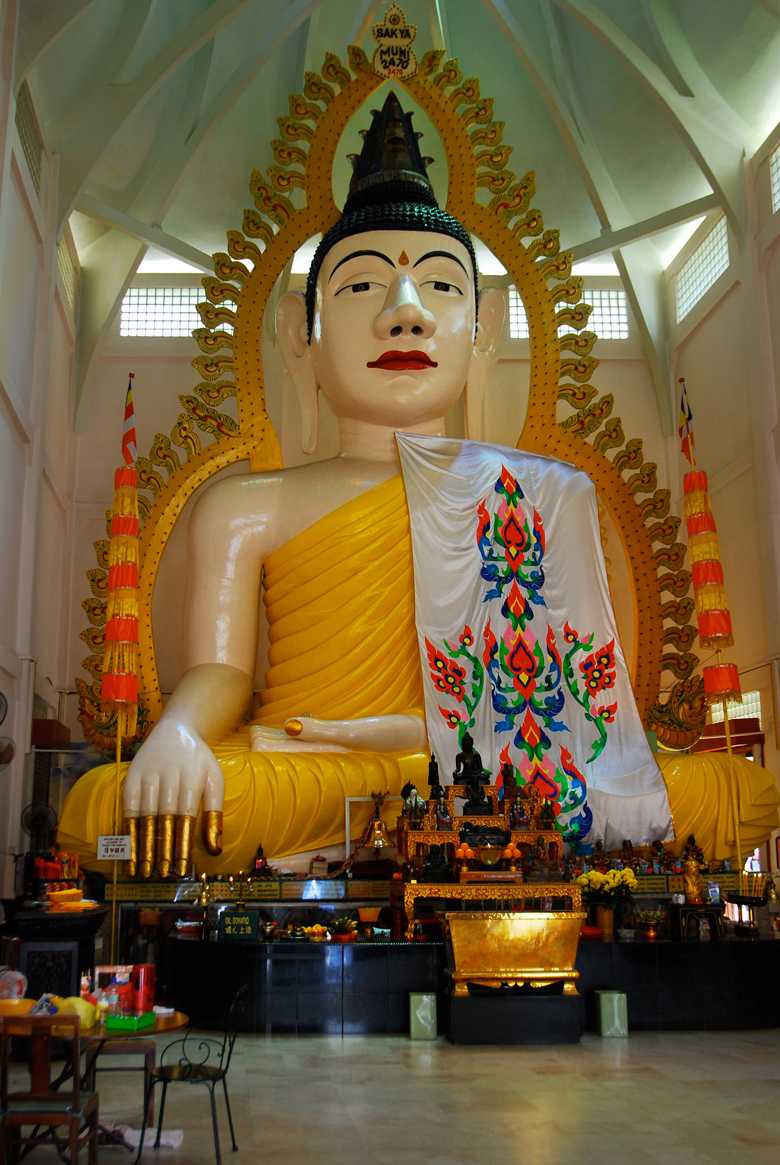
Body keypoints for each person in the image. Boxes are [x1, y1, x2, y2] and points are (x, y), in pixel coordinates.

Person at [59, 93, 780, 878]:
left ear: (484, 328)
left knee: (737, 789)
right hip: (308, 771)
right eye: (363, 286)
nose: (405, 316)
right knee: (106, 803)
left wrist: (403, 736)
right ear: (303, 328)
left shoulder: (540, 492)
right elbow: (224, 675)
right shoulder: (245, 505)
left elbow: (573, 713)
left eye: (439, 287)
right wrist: (182, 735)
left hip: (475, 771)